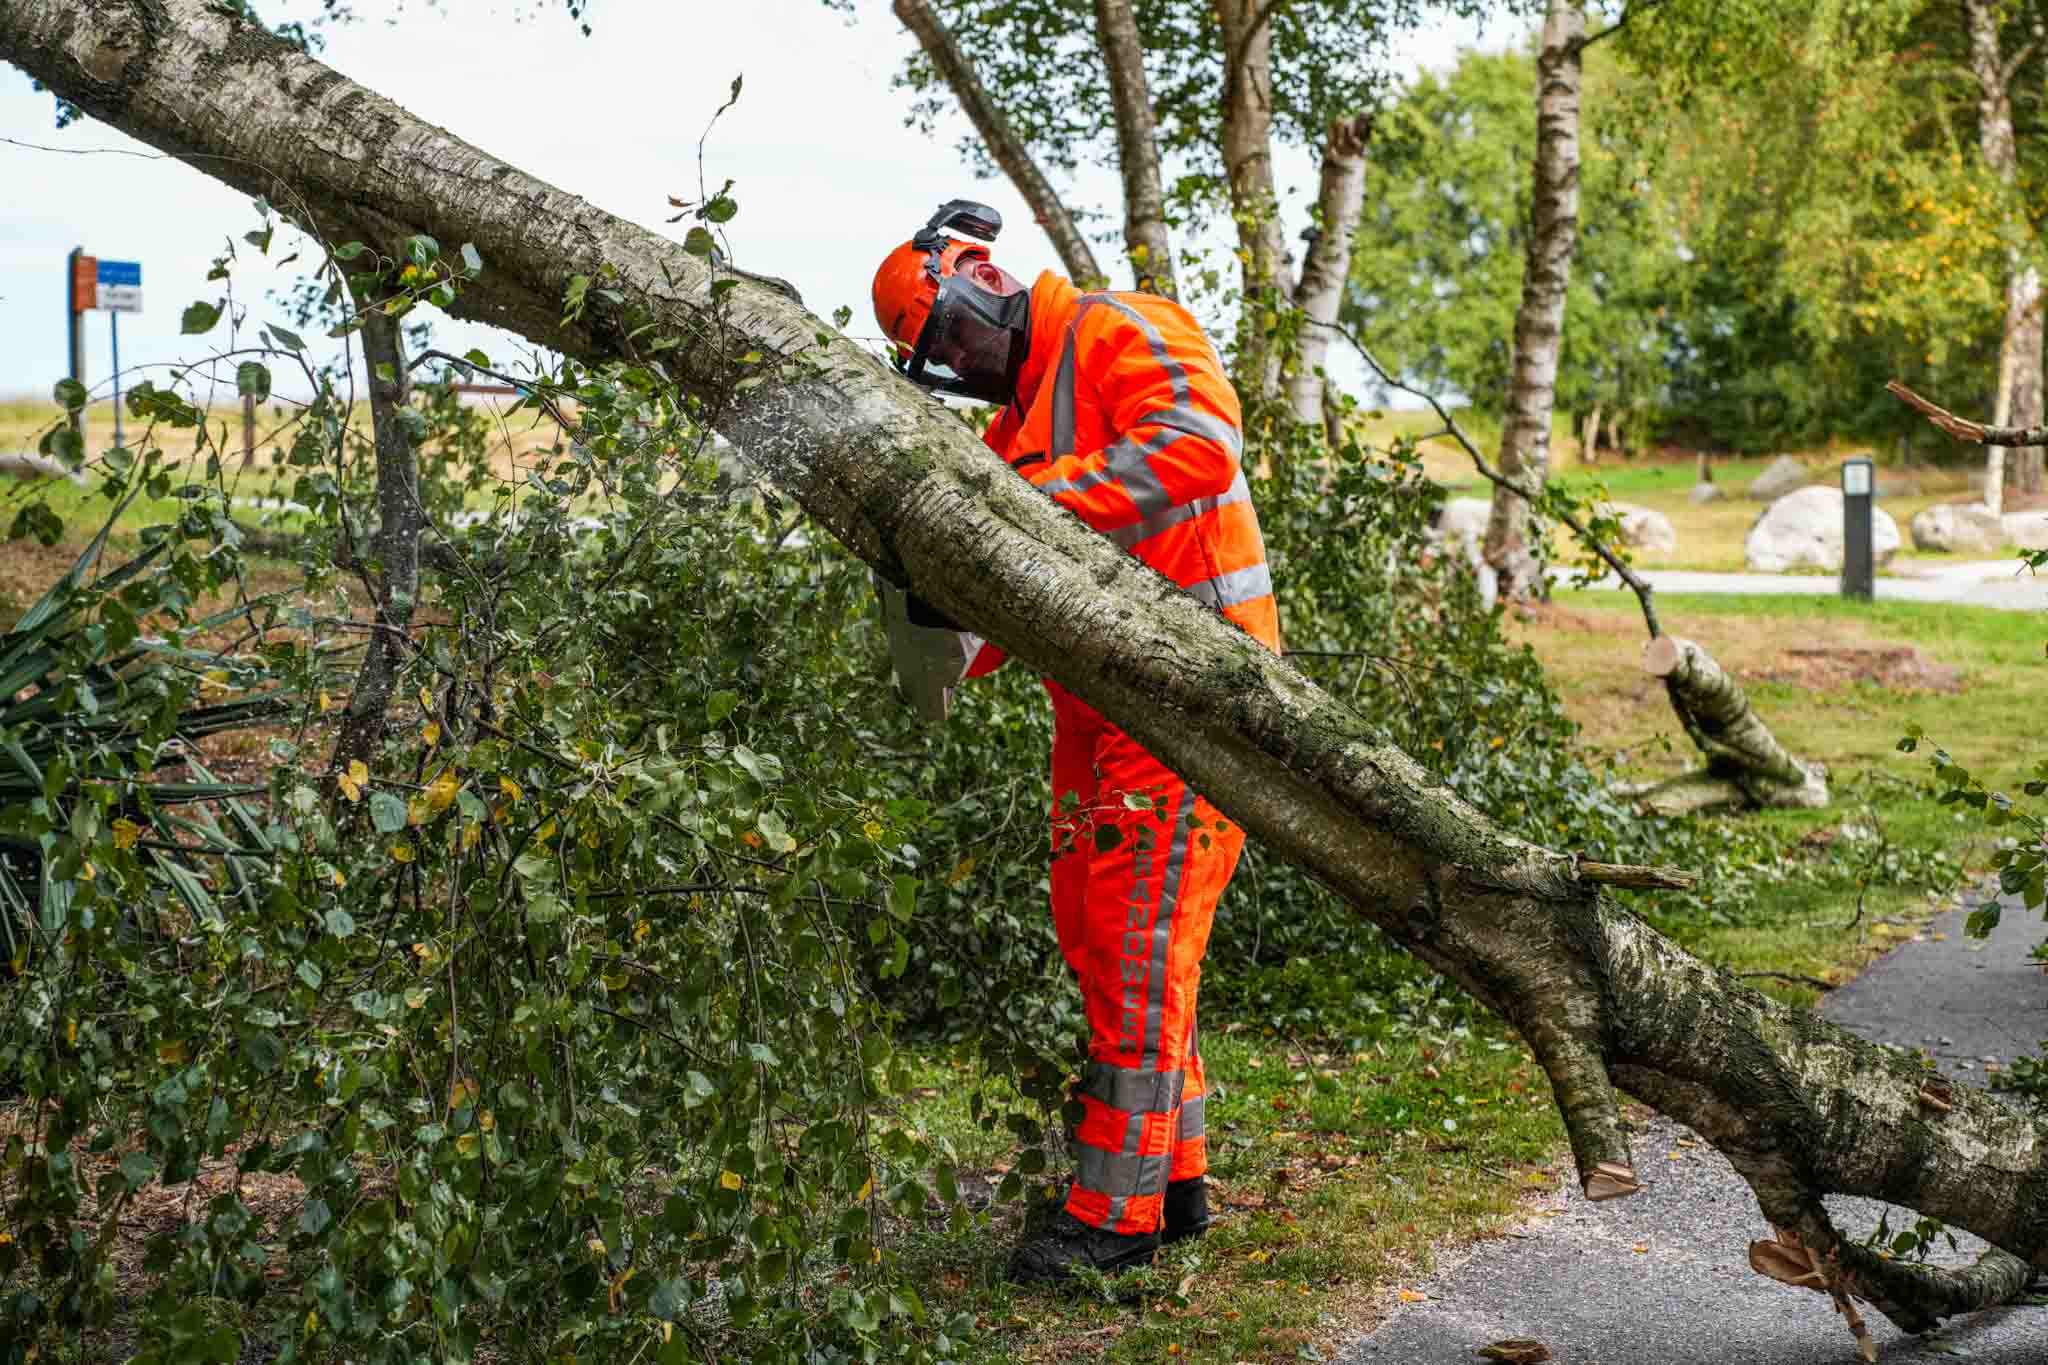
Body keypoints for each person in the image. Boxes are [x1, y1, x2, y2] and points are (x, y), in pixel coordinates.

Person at [871, 201, 1281, 1283]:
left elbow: (1195, 447)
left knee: (1142, 951)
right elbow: (1005, 612)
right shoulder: (1008, 435)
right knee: (1098, 936)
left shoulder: (1119, 329)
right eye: (938, 359)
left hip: (1192, 694)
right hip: (1096, 711)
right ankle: (1174, 1176)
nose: (957, 362)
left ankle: (1113, 1221)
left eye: (952, 335)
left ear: (981, 277)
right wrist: (931, 597)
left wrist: (1021, 511)